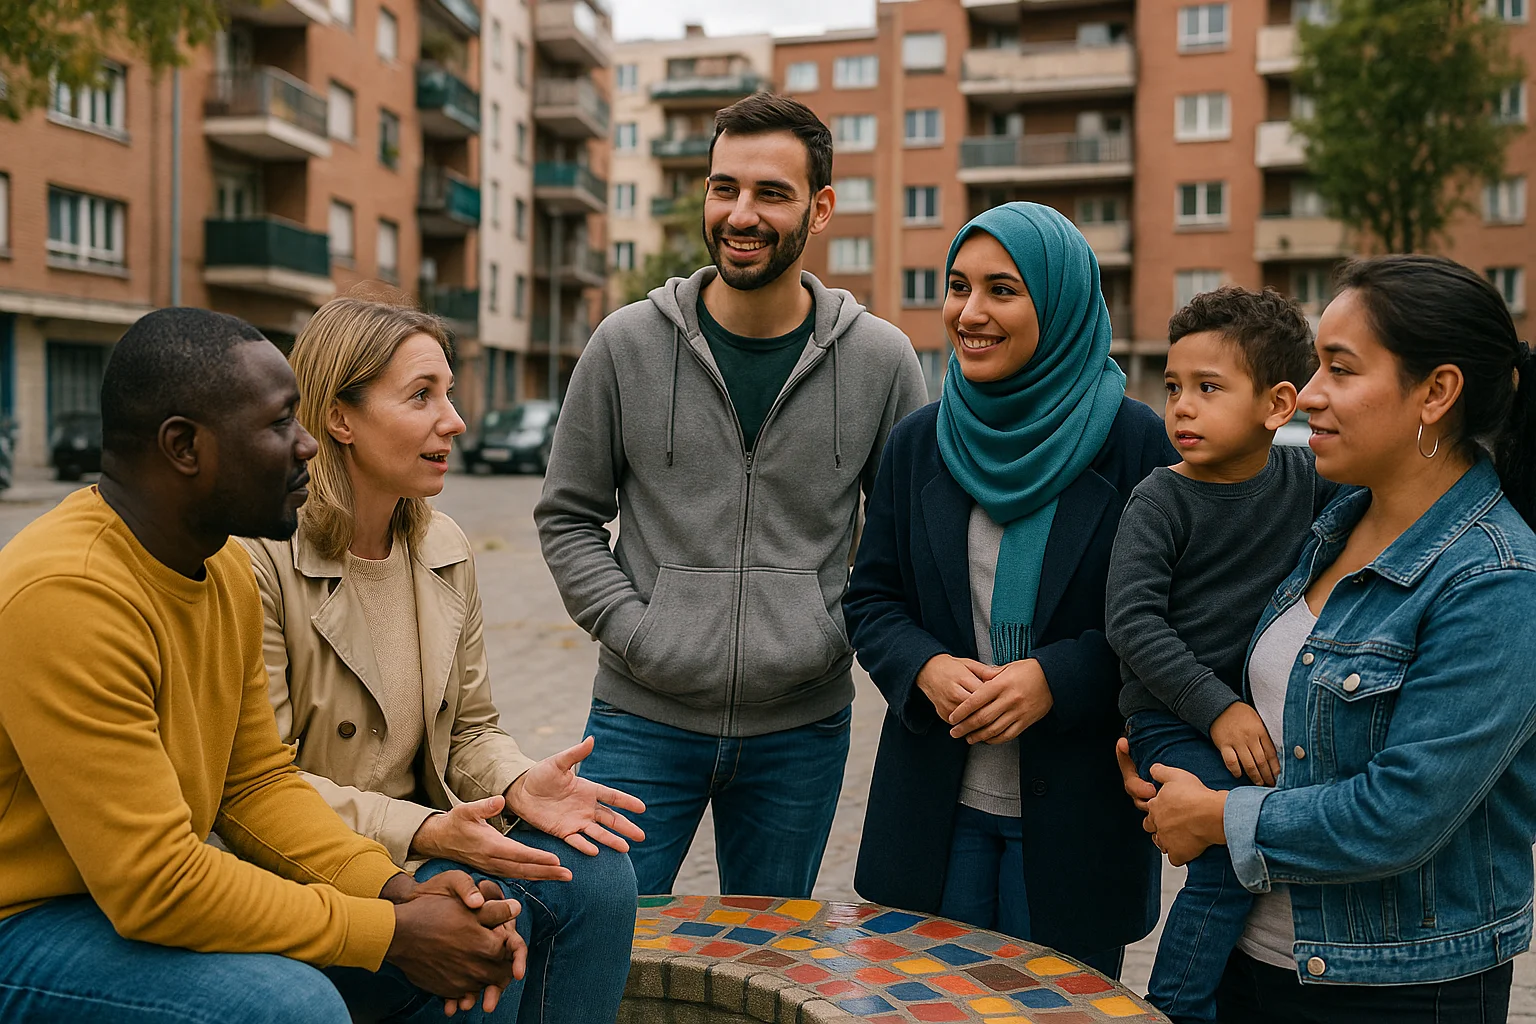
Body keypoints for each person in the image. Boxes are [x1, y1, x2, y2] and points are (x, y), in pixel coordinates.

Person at [0, 308, 525, 1023]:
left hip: (115, 898)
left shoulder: (217, 568)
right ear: (184, 446)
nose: (309, 445)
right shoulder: (69, 593)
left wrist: (396, 891)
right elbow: (157, 884)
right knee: (286, 1006)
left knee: (481, 925)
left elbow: (254, 785)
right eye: (281, 424)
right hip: (26, 921)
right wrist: (392, 931)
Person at [1124, 254, 1536, 1022]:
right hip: (1255, 958)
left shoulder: (1497, 577)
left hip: (1396, 988)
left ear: (1436, 393)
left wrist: (1216, 817)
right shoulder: (1332, 522)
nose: (1308, 394)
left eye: (1340, 370)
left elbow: (1400, 814)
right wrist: (1173, 768)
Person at [535, 92, 927, 897]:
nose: (740, 214)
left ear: (819, 209)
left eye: (770, 194)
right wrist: (639, 632)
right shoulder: (624, 344)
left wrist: (828, 633)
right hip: (639, 719)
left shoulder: (882, 361)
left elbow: (899, 542)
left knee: (767, 967)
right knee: (600, 948)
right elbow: (567, 516)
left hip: (803, 729)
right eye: (724, 188)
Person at [239, 297, 642, 1022]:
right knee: (490, 918)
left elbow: (469, 731)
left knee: (600, 873)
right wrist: (423, 832)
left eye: (449, 394)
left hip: (424, 849)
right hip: (316, 874)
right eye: (422, 395)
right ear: (340, 417)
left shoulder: (443, 546)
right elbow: (257, 787)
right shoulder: (259, 560)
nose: (453, 421)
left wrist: (521, 781)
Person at [843, 202, 1175, 978]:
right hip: (937, 809)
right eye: (957, 286)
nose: (971, 312)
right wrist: (924, 666)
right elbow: (872, 598)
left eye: (1002, 290)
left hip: (1076, 816)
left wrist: (1054, 679)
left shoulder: (1137, 447)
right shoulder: (919, 442)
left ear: (1056, 303)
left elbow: (1164, 622)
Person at [1107, 286, 1336, 1023]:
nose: (1181, 407)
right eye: (1174, 387)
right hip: (1173, 714)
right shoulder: (1160, 499)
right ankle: (1171, 1009)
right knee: (1230, 860)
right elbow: (1132, 624)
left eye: (1208, 388)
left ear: (1278, 405)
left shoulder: (1308, 484)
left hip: (1250, 716)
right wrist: (1221, 708)